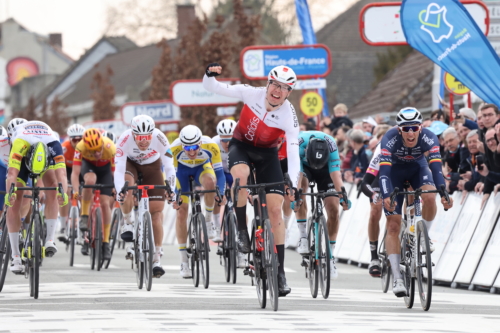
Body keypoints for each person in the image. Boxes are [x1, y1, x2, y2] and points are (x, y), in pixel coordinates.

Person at [203, 63, 301, 297]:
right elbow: (214, 87)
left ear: (289, 93)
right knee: (241, 177)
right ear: (267, 83)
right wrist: (208, 75)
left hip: (268, 155)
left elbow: (294, 150)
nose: (277, 90)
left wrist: (294, 184)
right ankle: (240, 231)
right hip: (241, 147)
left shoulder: (289, 116)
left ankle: (279, 272)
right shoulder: (251, 93)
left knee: (276, 210)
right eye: (274, 84)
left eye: (284, 88)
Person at [379, 107, 453, 297]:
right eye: (406, 129)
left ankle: (423, 234)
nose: (410, 132)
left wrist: (443, 190)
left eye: (414, 128)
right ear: (399, 129)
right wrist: (386, 195)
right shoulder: (389, 138)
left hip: (418, 169)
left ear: (420, 127)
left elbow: (436, 167)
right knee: (393, 226)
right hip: (394, 173)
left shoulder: (429, 137)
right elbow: (385, 172)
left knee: (430, 197)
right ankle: (397, 277)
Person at [115, 115, 176, 277]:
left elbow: (170, 166)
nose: (143, 141)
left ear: (152, 134)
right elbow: (119, 170)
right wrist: (120, 190)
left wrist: (172, 189)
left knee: (156, 214)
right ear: (133, 134)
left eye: (147, 137)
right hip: (131, 164)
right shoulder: (124, 139)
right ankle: (127, 222)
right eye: (140, 137)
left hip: (152, 167)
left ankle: (156, 257)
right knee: (127, 186)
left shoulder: (161, 138)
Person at [5, 120, 69, 273]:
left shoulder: (53, 143)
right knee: (16, 199)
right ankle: (15, 256)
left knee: (53, 187)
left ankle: (50, 239)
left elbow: (62, 174)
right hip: (23, 160)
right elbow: (12, 173)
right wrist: (10, 194)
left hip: (44, 157)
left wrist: (63, 193)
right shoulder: (19, 142)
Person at [171, 125, 226, 278]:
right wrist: (174, 196)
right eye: (187, 148)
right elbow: (170, 176)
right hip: (181, 173)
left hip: (201, 169)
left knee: (210, 183)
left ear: (200, 143)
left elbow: (220, 175)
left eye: (195, 147)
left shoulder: (211, 146)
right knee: (181, 211)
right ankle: (184, 261)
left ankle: (208, 221)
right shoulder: (173, 149)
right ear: (181, 145)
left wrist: (219, 193)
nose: (191, 151)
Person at [295, 131, 350, 279]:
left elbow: (336, 175)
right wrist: (297, 196)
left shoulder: (331, 146)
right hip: (305, 168)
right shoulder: (299, 143)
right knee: (301, 190)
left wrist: (343, 196)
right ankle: (303, 237)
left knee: (333, 209)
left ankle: (330, 256)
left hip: (326, 170)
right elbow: (298, 175)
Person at [72, 129, 115, 259]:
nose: (97, 154)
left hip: (105, 170)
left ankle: (106, 241)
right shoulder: (80, 147)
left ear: (102, 144)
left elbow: (115, 173)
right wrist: (75, 191)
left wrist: (117, 188)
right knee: (90, 180)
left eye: (98, 150)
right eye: (92, 151)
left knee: (105, 204)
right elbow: (74, 173)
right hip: (89, 166)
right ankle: (84, 216)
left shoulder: (110, 147)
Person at [212, 119, 248, 267]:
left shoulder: (241, 142)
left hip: (236, 174)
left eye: (230, 139)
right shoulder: (214, 143)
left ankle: (241, 240)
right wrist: (220, 189)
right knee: (217, 196)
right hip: (220, 173)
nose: (226, 143)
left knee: (239, 204)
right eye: (224, 140)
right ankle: (215, 227)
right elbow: (212, 169)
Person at [58, 124, 85, 241]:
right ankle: (63, 226)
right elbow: (59, 168)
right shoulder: (64, 148)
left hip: (82, 169)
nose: (78, 141)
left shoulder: (87, 147)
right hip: (68, 169)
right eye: (75, 139)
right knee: (65, 192)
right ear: (70, 139)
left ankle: (84, 221)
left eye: (80, 139)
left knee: (85, 193)